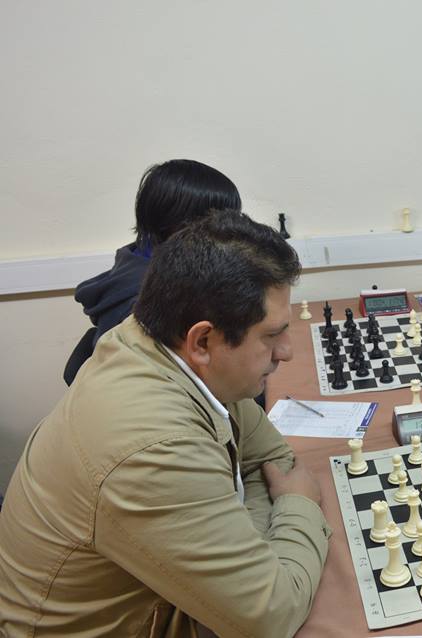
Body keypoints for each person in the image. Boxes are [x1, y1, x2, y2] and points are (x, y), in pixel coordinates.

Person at [0, 211, 331, 637]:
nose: (286, 352)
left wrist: (247, 551)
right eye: (271, 335)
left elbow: (271, 461)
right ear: (203, 341)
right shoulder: (153, 446)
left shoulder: (164, 345)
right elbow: (272, 615)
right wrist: (297, 504)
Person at [63, 158, 242, 385]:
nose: (230, 233)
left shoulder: (142, 260)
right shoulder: (147, 299)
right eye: (221, 222)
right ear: (180, 225)